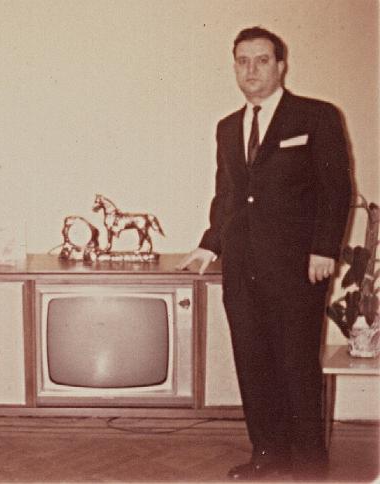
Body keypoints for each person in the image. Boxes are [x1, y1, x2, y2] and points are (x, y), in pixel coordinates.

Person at [177, 27, 352, 480]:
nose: (251, 69)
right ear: (234, 67)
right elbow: (228, 194)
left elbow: (336, 190)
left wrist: (323, 249)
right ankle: (267, 455)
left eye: (261, 60)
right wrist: (207, 244)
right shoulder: (228, 127)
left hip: (298, 267)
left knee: (296, 365)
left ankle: (310, 464)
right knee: (252, 362)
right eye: (242, 61)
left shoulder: (316, 116)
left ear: (281, 65)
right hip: (242, 266)